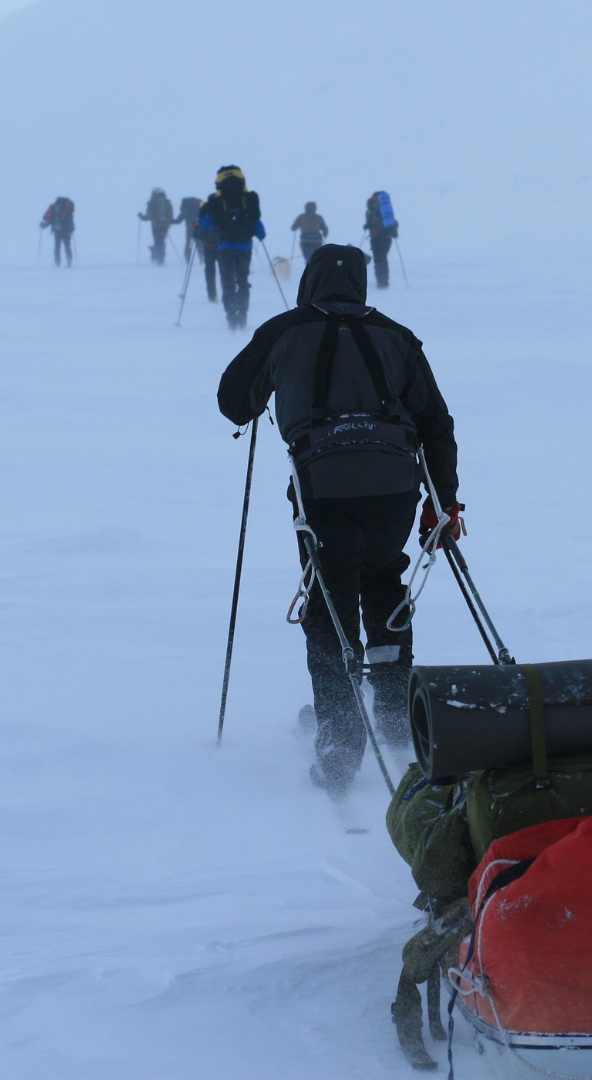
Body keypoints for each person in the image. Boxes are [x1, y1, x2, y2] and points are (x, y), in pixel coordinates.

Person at [217, 244, 461, 799]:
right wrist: (444, 502)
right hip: (397, 485)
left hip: (321, 486)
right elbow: (436, 422)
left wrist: (272, 384)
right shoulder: (398, 335)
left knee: (329, 597)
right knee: (382, 582)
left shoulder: (284, 328)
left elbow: (234, 401)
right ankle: (396, 715)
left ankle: (340, 736)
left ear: (309, 283)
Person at [201, 165, 265, 330]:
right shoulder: (247, 199)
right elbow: (257, 221)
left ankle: (231, 317)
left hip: (225, 247)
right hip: (245, 247)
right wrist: (260, 234)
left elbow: (206, 224)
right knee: (243, 281)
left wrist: (202, 214)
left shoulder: (217, 200)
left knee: (228, 282)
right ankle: (243, 315)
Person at [364, 191, 398, 289]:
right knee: (383, 259)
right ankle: (385, 282)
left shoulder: (371, 210)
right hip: (387, 238)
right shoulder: (386, 211)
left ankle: (381, 283)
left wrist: (368, 226)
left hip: (376, 239)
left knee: (379, 261)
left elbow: (370, 223)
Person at [139, 188, 175, 265]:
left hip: (156, 225)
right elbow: (170, 215)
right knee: (161, 241)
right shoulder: (167, 202)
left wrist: (141, 216)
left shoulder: (152, 203)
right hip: (165, 225)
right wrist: (168, 222)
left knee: (157, 241)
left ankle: (157, 257)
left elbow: (148, 217)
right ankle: (161, 258)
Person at [40, 196, 75, 267]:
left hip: (57, 230)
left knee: (57, 247)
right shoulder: (68, 208)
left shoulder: (55, 208)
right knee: (67, 246)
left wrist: (43, 225)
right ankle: (69, 260)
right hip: (67, 231)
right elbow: (70, 220)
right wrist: (72, 228)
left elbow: (50, 220)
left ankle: (57, 262)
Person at [175, 196, 203, 262]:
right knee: (199, 243)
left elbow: (179, 219)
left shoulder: (186, 207)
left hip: (189, 226)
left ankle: (188, 258)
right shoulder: (198, 207)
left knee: (188, 243)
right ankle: (202, 258)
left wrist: (171, 221)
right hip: (198, 226)